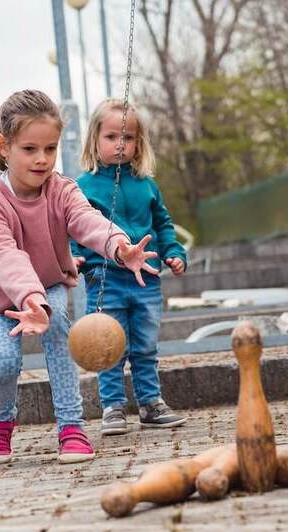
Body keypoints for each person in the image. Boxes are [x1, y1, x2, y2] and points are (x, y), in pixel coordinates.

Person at [0, 90, 159, 464]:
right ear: (3, 146)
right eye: (29, 149)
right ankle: (0, 423)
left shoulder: (63, 189)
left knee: (57, 332)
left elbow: (87, 221)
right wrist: (29, 300)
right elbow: (7, 257)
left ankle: (71, 427)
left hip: (49, 287)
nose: (42, 159)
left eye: (50, 149)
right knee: (4, 362)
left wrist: (120, 246)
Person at [72, 99, 188, 435]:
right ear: (95, 139)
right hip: (104, 277)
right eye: (111, 137)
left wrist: (174, 251)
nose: (120, 144)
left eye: (129, 138)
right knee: (107, 344)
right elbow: (73, 226)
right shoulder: (84, 186)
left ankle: (151, 403)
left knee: (145, 345)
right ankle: (112, 407)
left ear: (140, 143)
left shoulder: (147, 185)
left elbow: (163, 224)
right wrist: (74, 254)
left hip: (147, 279)